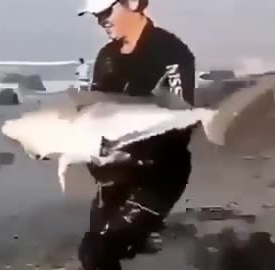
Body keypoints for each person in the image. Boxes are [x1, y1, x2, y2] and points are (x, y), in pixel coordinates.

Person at [77, 0, 196, 269]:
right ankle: (141, 237)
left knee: (102, 250)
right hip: (114, 176)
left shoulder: (171, 53)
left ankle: (143, 231)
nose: (101, 21)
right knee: (91, 252)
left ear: (132, 3)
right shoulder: (107, 56)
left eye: (107, 12)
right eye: (96, 16)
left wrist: (132, 154)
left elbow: (181, 123)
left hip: (160, 175)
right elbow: (94, 113)